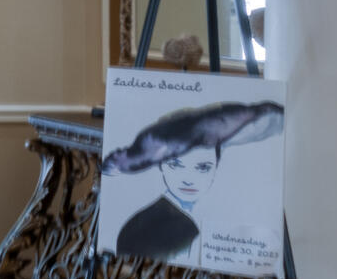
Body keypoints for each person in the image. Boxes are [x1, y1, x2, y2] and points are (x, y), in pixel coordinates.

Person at [103, 100, 282, 264]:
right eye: (176, 165)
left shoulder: (230, 209)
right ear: (161, 166)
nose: (188, 180)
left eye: (203, 167)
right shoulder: (141, 229)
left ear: (216, 166)